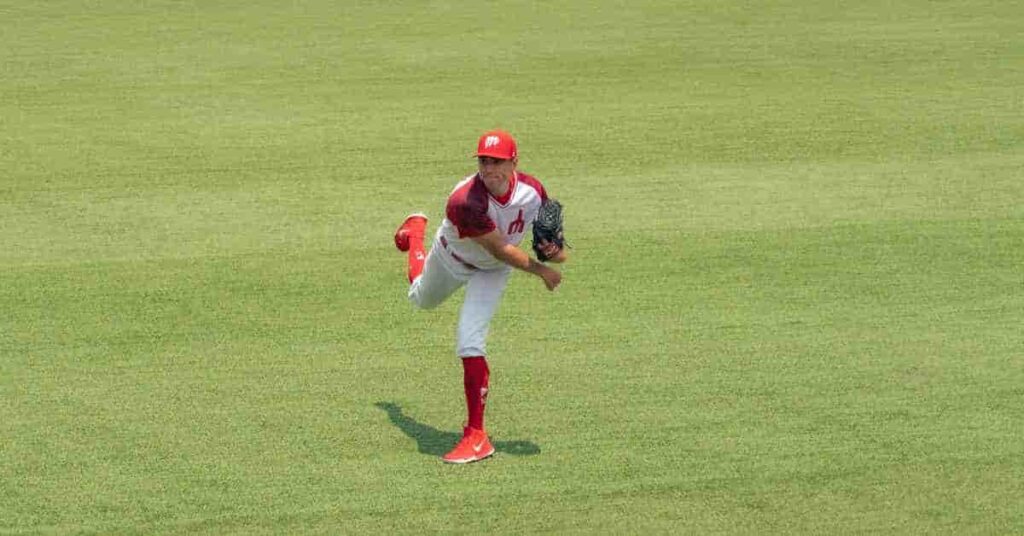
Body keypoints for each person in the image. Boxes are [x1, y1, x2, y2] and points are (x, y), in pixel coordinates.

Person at [392, 129, 567, 464]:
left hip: (492, 271)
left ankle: (476, 435)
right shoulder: (465, 201)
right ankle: (415, 233)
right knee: (419, 298)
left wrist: (553, 250)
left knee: (469, 340)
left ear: (514, 161)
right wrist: (542, 271)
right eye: (484, 161)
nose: (488, 169)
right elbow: (501, 249)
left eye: (496, 161)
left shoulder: (534, 191)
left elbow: (552, 244)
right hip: (451, 259)